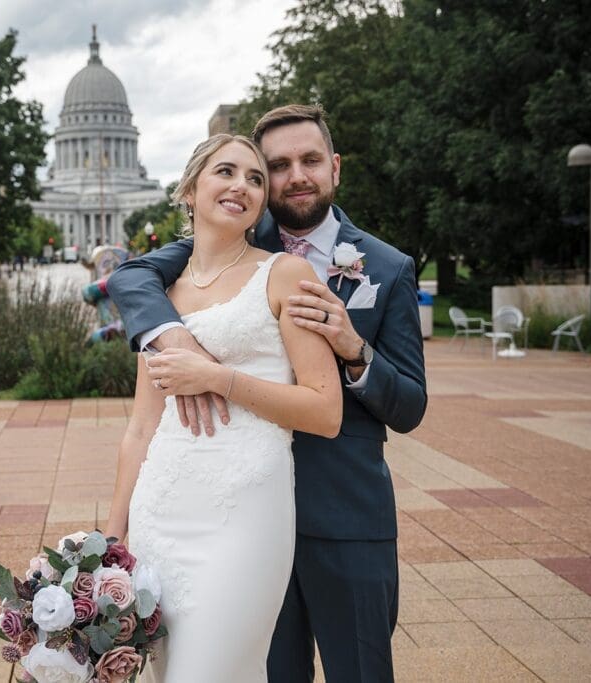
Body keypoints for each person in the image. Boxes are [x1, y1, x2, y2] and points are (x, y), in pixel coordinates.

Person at [106, 104, 427, 682]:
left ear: (334, 167)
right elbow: (131, 277)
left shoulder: (387, 266)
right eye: (277, 166)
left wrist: (355, 350)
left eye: (310, 161)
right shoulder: (219, 242)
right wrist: (112, 534)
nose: (294, 176)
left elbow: (409, 407)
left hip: (343, 515)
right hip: (216, 509)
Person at [104, 133, 343, 682]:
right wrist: (112, 541)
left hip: (245, 513)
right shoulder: (160, 297)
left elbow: (326, 411)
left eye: (256, 179)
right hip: (162, 510)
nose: (242, 186)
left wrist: (219, 378)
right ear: (190, 189)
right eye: (226, 172)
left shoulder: (285, 274)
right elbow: (142, 427)